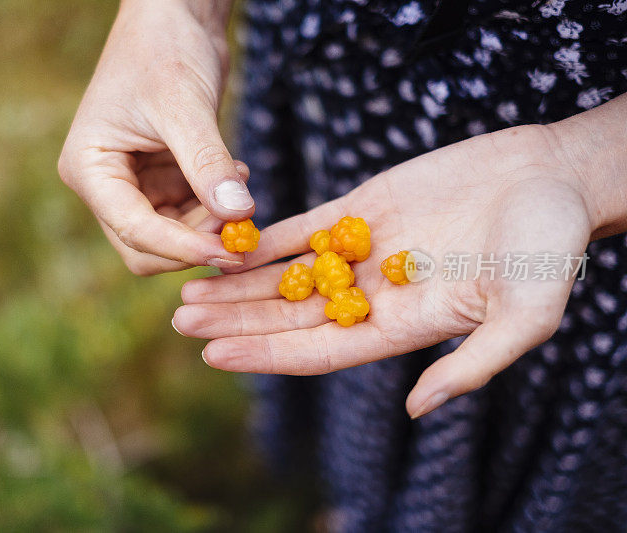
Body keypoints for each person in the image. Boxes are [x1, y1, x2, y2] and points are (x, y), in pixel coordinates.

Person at [59, 0, 627, 530]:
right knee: (349, 395)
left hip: (574, 136)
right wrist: (175, 12)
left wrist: (583, 165)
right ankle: (360, 505)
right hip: (340, 87)